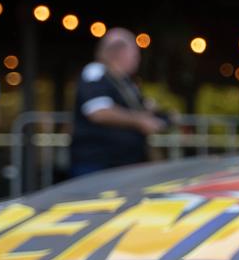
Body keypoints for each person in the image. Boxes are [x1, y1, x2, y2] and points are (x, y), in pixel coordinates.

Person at [70, 28, 167, 177]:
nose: (138, 59)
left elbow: (138, 107)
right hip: (98, 164)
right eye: (134, 53)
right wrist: (139, 121)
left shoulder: (124, 80)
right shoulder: (95, 72)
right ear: (118, 52)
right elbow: (98, 111)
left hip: (122, 164)